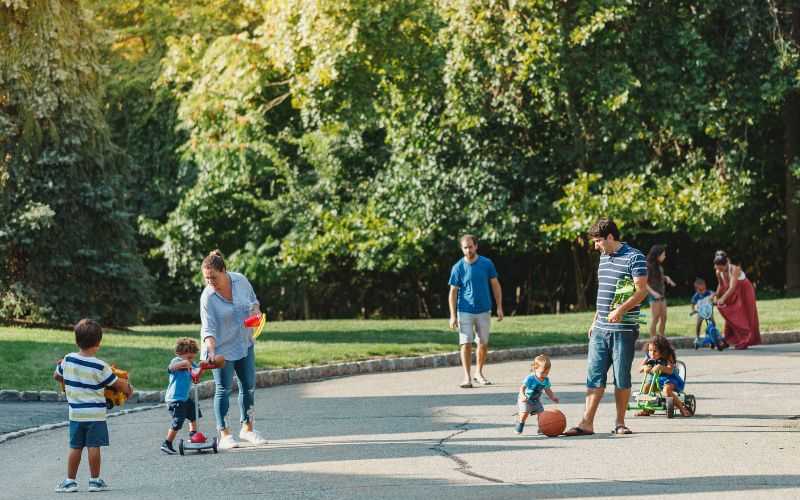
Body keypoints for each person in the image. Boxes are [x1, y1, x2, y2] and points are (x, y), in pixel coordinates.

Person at [564, 218, 648, 437]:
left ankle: (620, 423)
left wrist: (620, 310)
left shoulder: (634, 257)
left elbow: (642, 291)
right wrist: (595, 320)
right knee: (594, 375)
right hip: (601, 328)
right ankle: (586, 423)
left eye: (598, 241)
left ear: (611, 237)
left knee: (621, 377)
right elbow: (604, 293)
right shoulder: (603, 257)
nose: (595, 246)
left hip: (624, 328)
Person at [53, 319, 132, 493]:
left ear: (76, 341)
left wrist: (67, 376)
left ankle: (69, 481)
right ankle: (95, 481)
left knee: (75, 447)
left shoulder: (67, 360)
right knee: (93, 446)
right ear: (98, 344)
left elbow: (57, 376)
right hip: (95, 415)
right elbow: (117, 384)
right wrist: (128, 388)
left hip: (75, 415)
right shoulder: (100, 366)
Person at [201, 249, 267, 449]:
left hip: (243, 343)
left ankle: (248, 429)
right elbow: (208, 328)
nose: (209, 281)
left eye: (213, 277)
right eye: (206, 278)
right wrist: (211, 352)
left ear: (224, 271)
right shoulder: (208, 297)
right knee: (223, 389)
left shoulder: (240, 281)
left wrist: (256, 313)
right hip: (220, 348)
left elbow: (254, 303)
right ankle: (224, 434)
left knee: (248, 386)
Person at [448, 234, 504, 388]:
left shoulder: (486, 264)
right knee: (465, 343)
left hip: (484, 310)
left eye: (470, 247)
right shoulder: (458, 267)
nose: (468, 250)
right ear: (462, 249)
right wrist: (453, 315)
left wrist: (499, 307)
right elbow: (452, 292)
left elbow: (495, 285)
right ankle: (467, 377)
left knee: (483, 343)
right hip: (464, 310)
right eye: (465, 248)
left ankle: (478, 373)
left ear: (476, 246)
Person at [160, 338, 203, 455]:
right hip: (174, 399)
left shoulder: (192, 363)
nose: (191, 360)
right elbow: (170, 368)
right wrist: (184, 363)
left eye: (192, 357)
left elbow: (196, 375)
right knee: (179, 420)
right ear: (180, 353)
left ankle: (193, 434)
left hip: (184, 398)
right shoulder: (176, 361)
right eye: (188, 357)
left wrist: (201, 368)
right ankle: (167, 442)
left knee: (194, 413)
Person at [713, 251, 761, 349]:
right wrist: (715, 296)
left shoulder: (734, 269)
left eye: (721, 268)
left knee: (745, 315)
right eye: (718, 268)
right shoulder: (718, 271)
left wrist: (723, 298)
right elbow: (721, 285)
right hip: (732, 292)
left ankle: (746, 340)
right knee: (732, 314)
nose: (719, 270)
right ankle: (729, 339)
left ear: (726, 263)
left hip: (744, 290)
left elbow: (732, 287)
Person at [636, 336, 692, 417]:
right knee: (646, 388)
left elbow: (670, 370)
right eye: (650, 350)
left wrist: (661, 367)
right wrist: (644, 367)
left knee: (667, 390)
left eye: (655, 351)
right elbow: (639, 369)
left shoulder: (668, 356)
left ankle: (682, 408)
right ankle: (647, 409)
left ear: (662, 351)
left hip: (670, 379)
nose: (652, 353)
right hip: (656, 380)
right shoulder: (649, 356)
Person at [515, 354, 560, 434]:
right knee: (524, 413)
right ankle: (520, 423)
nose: (545, 375)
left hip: (536, 400)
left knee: (541, 414)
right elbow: (522, 388)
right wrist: (522, 396)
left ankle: (541, 428)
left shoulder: (546, 380)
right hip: (525, 400)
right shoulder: (530, 378)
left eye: (547, 372)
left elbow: (547, 390)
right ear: (535, 368)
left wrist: (553, 397)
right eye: (543, 372)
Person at [645, 244, 676, 337]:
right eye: (663, 254)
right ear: (657, 255)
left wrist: (667, 278)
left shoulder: (658, 266)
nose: (665, 256)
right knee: (656, 318)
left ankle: (661, 339)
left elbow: (659, 277)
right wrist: (654, 293)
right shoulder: (648, 266)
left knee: (664, 318)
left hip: (661, 295)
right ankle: (653, 341)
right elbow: (644, 283)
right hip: (654, 296)